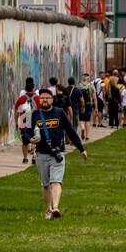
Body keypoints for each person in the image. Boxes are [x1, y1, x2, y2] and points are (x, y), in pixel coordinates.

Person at [30, 86, 88, 219]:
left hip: (57, 154)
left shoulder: (59, 113)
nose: (44, 100)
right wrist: (29, 139)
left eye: (47, 98)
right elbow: (27, 132)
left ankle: (56, 207)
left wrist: (81, 149)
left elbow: (70, 131)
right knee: (45, 184)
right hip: (41, 154)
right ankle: (48, 209)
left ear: (52, 99)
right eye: (42, 98)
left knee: (56, 181)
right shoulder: (35, 114)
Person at [15, 77, 39, 163]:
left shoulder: (21, 99)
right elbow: (40, 111)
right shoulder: (37, 98)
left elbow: (17, 111)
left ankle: (25, 158)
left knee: (25, 141)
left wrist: (16, 122)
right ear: (33, 89)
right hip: (34, 121)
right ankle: (34, 155)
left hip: (23, 121)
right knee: (35, 138)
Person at [78, 73, 94, 141]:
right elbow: (94, 97)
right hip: (88, 104)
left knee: (81, 119)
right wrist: (96, 107)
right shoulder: (91, 86)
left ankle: (82, 128)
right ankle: (87, 136)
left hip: (81, 105)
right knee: (87, 120)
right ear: (88, 78)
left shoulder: (79, 86)